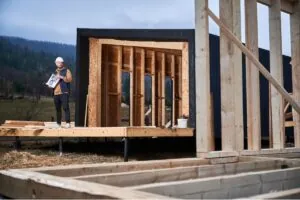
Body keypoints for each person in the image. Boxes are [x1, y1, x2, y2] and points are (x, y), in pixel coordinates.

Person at [53, 57, 72, 128]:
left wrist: (61, 77)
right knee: (58, 109)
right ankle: (58, 123)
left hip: (64, 92)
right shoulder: (55, 72)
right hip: (56, 93)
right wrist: (50, 84)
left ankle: (68, 123)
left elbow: (69, 79)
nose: (58, 63)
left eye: (59, 62)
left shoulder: (67, 70)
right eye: (57, 62)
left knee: (65, 107)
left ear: (62, 63)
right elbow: (53, 82)